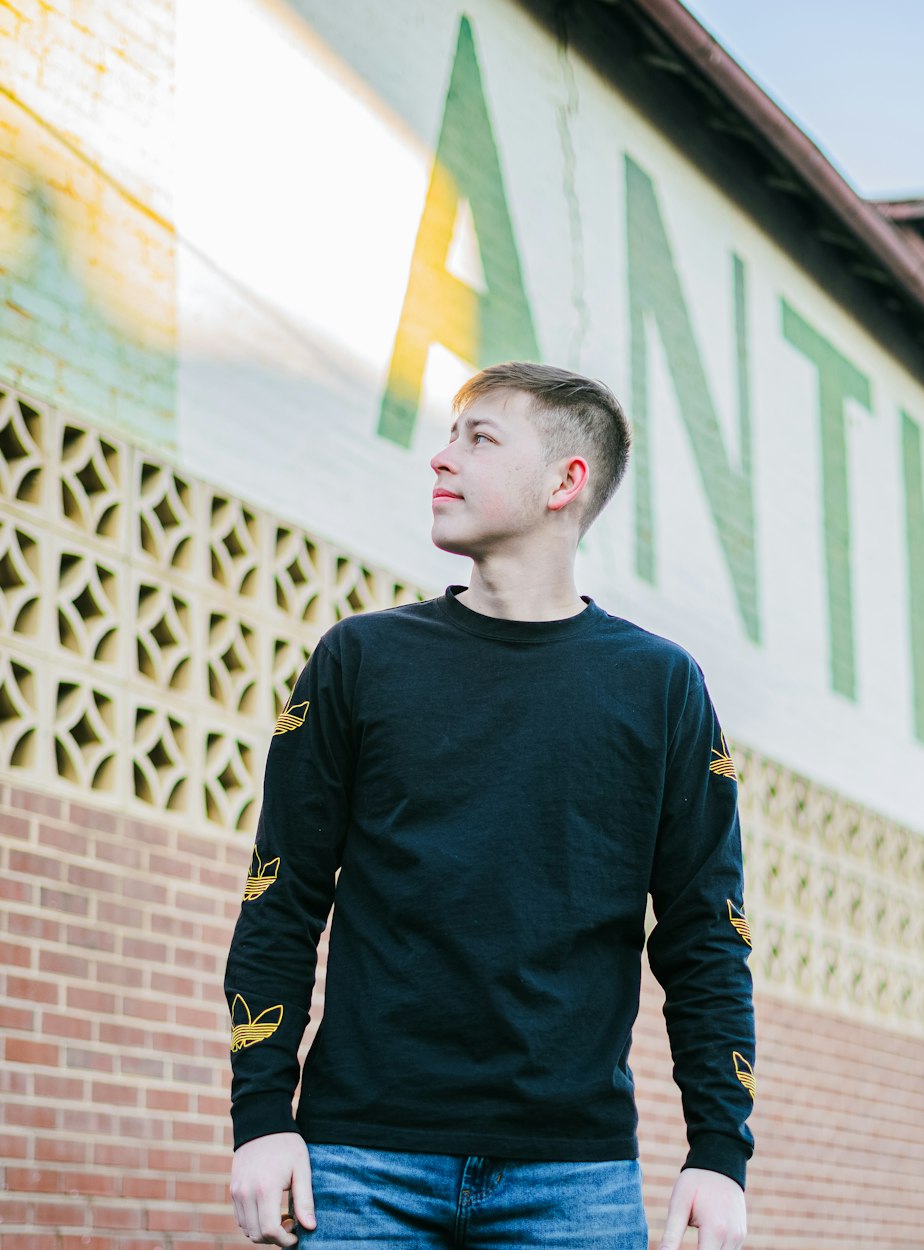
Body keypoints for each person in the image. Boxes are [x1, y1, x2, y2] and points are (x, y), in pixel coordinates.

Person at [225, 362, 755, 1250]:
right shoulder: (360, 661)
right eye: (447, 436)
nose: (442, 459)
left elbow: (706, 932)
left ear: (565, 481)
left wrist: (718, 1152)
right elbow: (280, 898)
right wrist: (262, 1118)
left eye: (481, 438)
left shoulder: (660, 686)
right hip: (358, 1166)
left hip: (573, 1180)